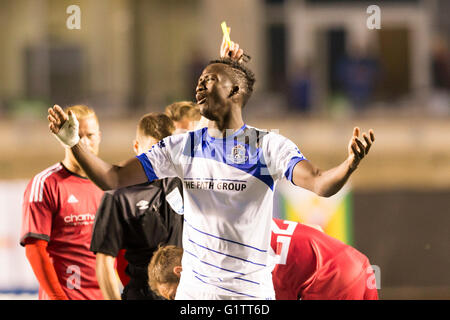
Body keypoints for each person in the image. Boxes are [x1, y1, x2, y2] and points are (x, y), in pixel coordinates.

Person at [47, 37, 375, 299]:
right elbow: (112, 178)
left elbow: (319, 184)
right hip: (195, 294)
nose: (199, 85)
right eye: (199, 79)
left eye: (210, 79)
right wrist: (73, 142)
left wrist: (349, 165)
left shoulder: (268, 146)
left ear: (234, 91)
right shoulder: (181, 147)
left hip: (249, 297)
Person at [147, 219, 378, 300]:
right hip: (356, 263)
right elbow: (312, 228)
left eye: (174, 295)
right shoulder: (223, 233)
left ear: (180, 271)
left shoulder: (216, 265)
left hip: (330, 279)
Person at [90, 112, 184, 300]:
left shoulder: (185, 183)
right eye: (152, 152)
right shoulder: (118, 195)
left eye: (165, 153)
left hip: (187, 294)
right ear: (136, 147)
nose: (159, 161)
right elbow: (104, 261)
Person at [21, 105, 104, 300]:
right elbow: (35, 250)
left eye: (90, 135)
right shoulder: (45, 184)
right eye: (76, 134)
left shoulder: (108, 185)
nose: (83, 142)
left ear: (99, 136)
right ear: (64, 136)